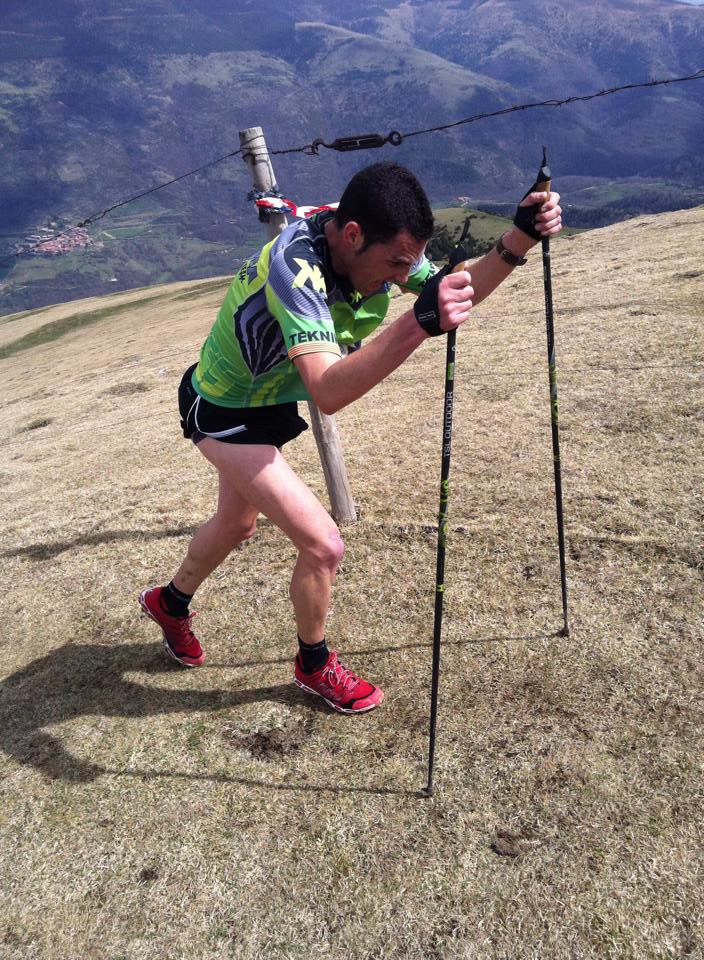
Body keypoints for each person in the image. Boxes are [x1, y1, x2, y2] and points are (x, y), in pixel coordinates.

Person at [140, 161, 562, 714]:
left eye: (406, 266)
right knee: (323, 544)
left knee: (237, 524)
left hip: (266, 401)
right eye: (395, 265)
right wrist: (416, 323)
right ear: (354, 235)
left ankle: (169, 604)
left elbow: (448, 293)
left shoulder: (376, 238)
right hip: (222, 409)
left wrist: (518, 239)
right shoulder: (296, 269)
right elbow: (329, 392)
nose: (398, 278)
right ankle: (312, 665)